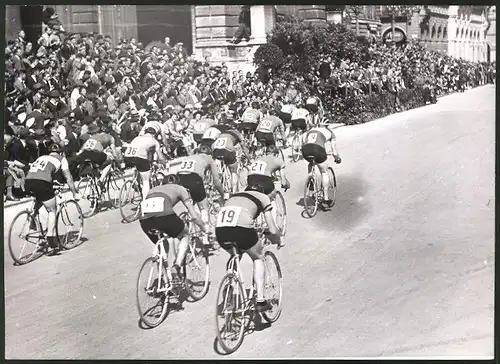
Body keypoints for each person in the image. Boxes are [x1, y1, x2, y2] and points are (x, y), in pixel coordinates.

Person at [215, 183, 282, 312]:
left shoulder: (233, 197)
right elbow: (273, 229)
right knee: (258, 257)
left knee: (235, 255)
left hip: (220, 230)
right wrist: (278, 239)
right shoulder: (263, 197)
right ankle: (260, 301)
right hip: (242, 228)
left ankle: (230, 284)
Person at [139, 174, 210, 279]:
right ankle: (176, 266)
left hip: (144, 219)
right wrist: (204, 228)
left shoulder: (152, 189)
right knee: (185, 235)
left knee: (162, 245)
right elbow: (194, 216)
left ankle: (164, 280)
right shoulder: (180, 188)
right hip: (164, 215)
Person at [24, 142, 79, 252]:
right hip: (42, 183)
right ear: (61, 152)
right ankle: (50, 237)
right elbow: (68, 178)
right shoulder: (62, 159)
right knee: (52, 210)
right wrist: (74, 192)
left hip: (28, 181)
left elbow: (42, 172)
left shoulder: (42, 157)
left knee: (39, 201)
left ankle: (32, 224)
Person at [171, 144, 225, 242]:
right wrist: (223, 194)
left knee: (190, 201)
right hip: (194, 179)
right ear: (210, 153)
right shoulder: (209, 159)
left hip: (180, 179)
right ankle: (205, 236)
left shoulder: (190, 157)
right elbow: (216, 181)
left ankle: (188, 218)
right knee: (204, 207)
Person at [247, 145, 290, 235]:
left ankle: (258, 223)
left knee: (256, 199)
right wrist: (285, 184)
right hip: (263, 180)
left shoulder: (258, 159)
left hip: (251, 179)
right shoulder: (277, 159)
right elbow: (283, 179)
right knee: (271, 199)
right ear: (276, 154)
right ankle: (273, 226)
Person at [301, 123, 342, 208]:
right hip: (317, 150)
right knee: (324, 172)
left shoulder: (310, 130)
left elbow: (303, 141)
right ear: (327, 126)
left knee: (310, 162)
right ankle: (326, 199)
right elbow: (334, 151)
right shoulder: (330, 132)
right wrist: (337, 158)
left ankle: (311, 179)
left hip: (306, 150)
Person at [76, 123, 123, 192]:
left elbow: (81, 150)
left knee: (94, 165)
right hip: (94, 153)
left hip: (84, 154)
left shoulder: (92, 137)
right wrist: (118, 163)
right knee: (109, 161)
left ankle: (98, 180)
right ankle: (101, 180)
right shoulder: (110, 137)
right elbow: (115, 154)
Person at [124, 127, 168, 200]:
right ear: (154, 134)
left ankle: (136, 183)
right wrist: (165, 163)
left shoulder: (137, 138)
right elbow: (160, 156)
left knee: (138, 168)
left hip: (127, 157)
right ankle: (146, 201)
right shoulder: (154, 141)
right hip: (139, 158)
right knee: (146, 181)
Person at [212, 127, 250, 196]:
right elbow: (244, 148)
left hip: (215, 149)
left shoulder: (222, 134)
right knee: (233, 171)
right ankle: (234, 192)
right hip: (227, 149)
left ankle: (212, 184)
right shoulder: (238, 133)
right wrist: (249, 159)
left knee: (214, 165)